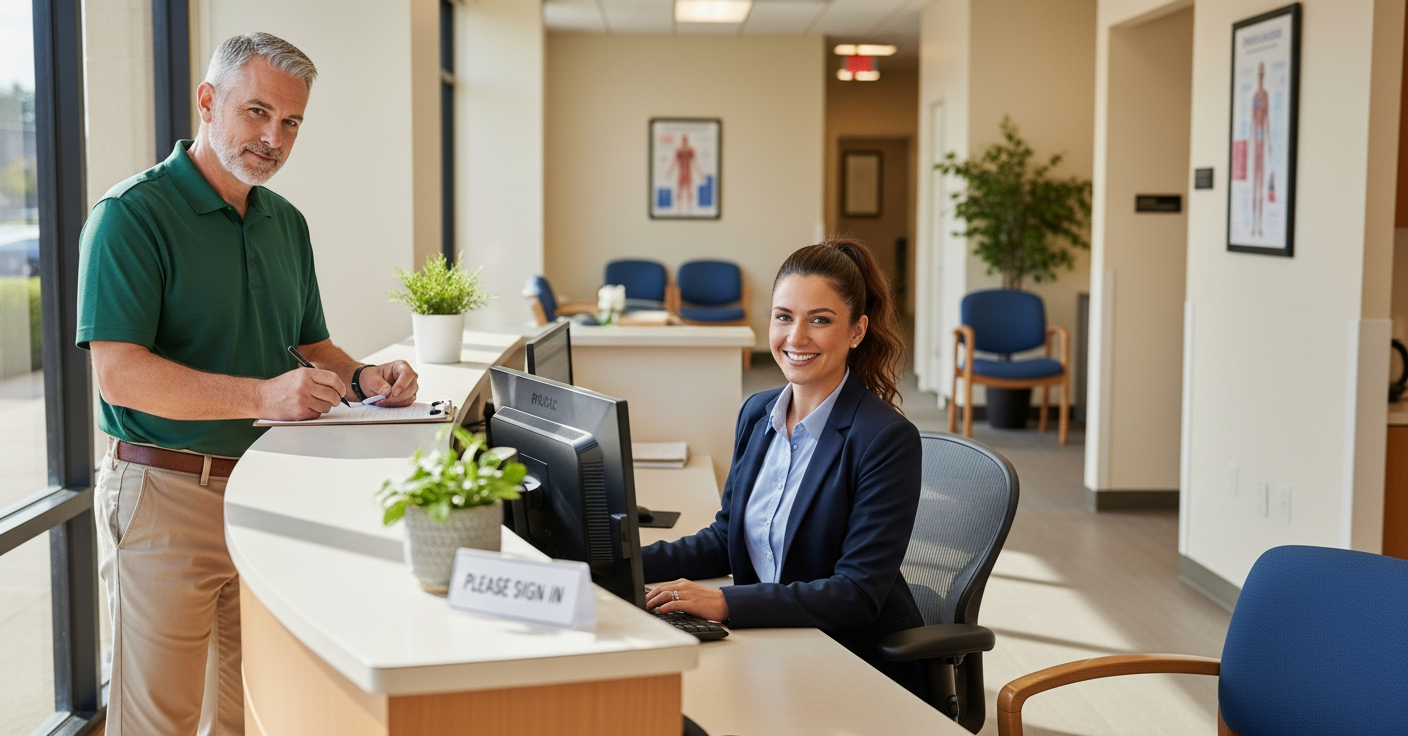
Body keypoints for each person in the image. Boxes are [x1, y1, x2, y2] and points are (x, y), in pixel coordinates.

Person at [76, 33, 419, 735]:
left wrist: (363, 377)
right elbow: (119, 374)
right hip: (168, 496)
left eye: (291, 122)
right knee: (158, 722)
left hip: (270, 490)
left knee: (245, 715)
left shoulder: (284, 223)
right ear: (207, 101)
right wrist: (264, 397)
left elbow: (307, 341)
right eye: (257, 112)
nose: (274, 137)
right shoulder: (131, 216)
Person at [642, 238, 926, 696]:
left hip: (852, 663)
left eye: (820, 320)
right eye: (783, 317)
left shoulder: (885, 439)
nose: (796, 338)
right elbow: (725, 539)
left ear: (857, 331)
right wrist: (613, 561)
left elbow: (856, 593)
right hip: (771, 645)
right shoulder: (757, 414)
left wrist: (724, 602)